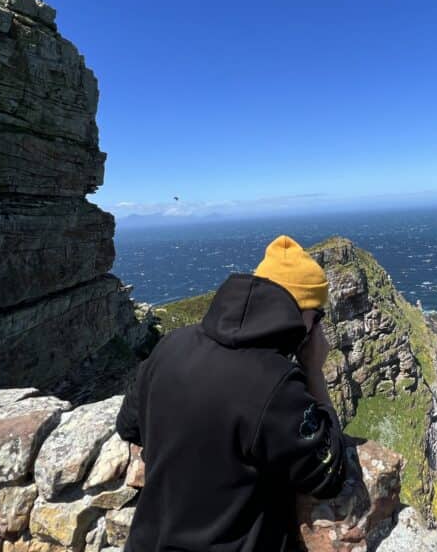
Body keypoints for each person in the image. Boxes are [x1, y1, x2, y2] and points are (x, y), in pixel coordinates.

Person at [116, 234, 349, 551]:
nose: (318, 325)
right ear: (300, 313)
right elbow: (328, 472)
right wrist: (314, 371)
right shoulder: (276, 384)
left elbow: (128, 426)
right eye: (317, 315)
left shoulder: (172, 344)